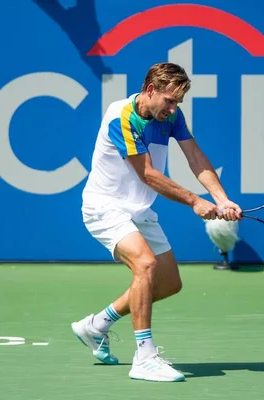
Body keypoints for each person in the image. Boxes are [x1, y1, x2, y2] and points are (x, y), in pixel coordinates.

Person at [71, 62, 243, 382]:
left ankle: (96, 326)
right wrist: (194, 201)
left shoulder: (172, 116)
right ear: (151, 90)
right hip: (105, 207)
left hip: (139, 210)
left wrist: (221, 199)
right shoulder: (120, 115)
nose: (173, 108)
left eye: (178, 102)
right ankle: (145, 358)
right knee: (146, 266)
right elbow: (148, 174)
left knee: (168, 284)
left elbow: (195, 157)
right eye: (169, 100)